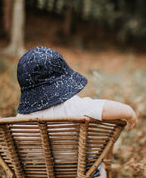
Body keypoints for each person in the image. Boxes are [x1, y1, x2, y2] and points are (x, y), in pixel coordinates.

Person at [16, 46, 138, 178]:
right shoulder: (74, 106)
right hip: (81, 173)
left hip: (38, 174)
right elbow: (106, 108)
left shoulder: (19, 119)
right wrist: (129, 112)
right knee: (99, 169)